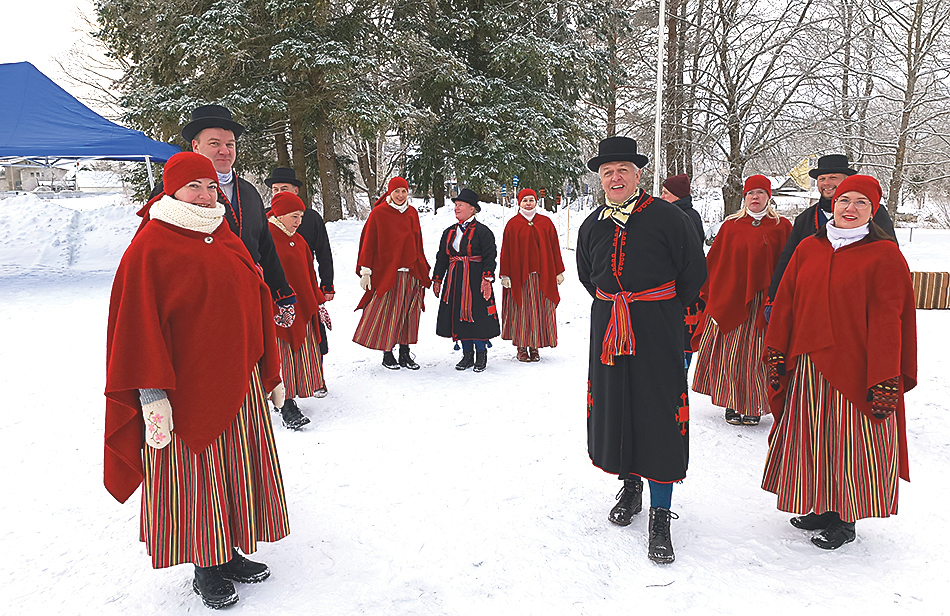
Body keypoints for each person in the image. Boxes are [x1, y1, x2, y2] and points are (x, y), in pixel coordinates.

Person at [105, 152, 289, 609]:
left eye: (210, 186)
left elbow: (254, 299)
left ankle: (227, 551)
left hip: (239, 381)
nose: (206, 195)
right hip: (182, 392)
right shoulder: (151, 245)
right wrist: (150, 394)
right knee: (196, 476)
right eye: (194, 186)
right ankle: (205, 565)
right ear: (172, 190)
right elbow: (136, 324)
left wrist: (268, 370)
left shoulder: (224, 236)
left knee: (234, 468)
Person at [761, 174, 916, 550]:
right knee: (814, 436)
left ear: (873, 211)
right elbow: (787, 301)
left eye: (862, 202)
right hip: (808, 364)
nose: (850, 208)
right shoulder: (809, 248)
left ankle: (845, 518)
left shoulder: (884, 255)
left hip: (857, 367)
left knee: (850, 441)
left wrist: (885, 376)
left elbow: (890, 319)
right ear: (833, 204)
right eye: (845, 200)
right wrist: (778, 350)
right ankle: (822, 506)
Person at [577, 136, 706, 563]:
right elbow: (587, 275)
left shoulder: (668, 217)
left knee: (658, 414)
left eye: (623, 171)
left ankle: (661, 514)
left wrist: (658, 310)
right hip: (608, 328)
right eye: (607, 172)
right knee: (617, 408)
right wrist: (617, 306)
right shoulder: (592, 224)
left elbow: (693, 272)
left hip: (656, 328)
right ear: (601, 179)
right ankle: (631, 487)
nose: (615, 178)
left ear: (638, 175)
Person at [148, 104, 296, 321]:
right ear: (196, 146)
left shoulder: (249, 191)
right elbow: (154, 252)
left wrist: (280, 290)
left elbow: (264, 245)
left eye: (230, 144)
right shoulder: (172, 191)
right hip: (198, 307)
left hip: (249, 298)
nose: (225, 151)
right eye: (214, 143)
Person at [691, 175, 791, 426]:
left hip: (764, 303)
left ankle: (754, 404)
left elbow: (789, 265)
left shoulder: (782, 227)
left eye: (760, 193)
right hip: (733, 299)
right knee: (732, 353)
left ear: (769, 197)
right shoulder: (731, 226)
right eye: (750, 193)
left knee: (758, 354)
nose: (755, 197)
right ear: (744, 198)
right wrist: (716, 294)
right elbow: (716, 262)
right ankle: (732, 401)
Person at [767, 154, 896, 306]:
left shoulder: (873, 213)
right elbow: (788, 260)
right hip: (812, 300)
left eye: (833, 177)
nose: (826, 183)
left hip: (858, 300)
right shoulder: (805, 219)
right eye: (822, 179)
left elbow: (889, 261)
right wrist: (774, 297)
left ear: (846, 180)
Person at [266, 166, 334, 394]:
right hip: (279, 305)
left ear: (295, 190)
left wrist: (322, 294)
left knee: (311, 342)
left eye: (283, 188)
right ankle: (284, 397)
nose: (298, 221)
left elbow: (320, 257)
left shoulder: (308, 224)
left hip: (304, 301)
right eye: (275, 189)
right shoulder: (265, 230)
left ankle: (310, 381)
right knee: (281, 349)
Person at [353, 177, 431, 369]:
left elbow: (417, 241)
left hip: (410, 272)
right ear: (390, 192)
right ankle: (387, 353)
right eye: (396, 191)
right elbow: (369, 242)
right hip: (389, 273)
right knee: (388, 313)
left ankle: (405, 353)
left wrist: (422, 267)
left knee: (409, 313)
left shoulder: (412, 213)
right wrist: (366, 270)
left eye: (404, 191)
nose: (400, 195)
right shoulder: (379, 213)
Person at [432, 188, 501, 372]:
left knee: (477, 316)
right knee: (459, 316)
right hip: (455, 281)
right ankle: (467, 355)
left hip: (476, 280)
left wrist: (487, 279)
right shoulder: (449, 232)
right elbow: (442, 257)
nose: (456, 208)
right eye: (455, 205)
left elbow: (490, 256)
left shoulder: (483, 232)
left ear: (472, 209)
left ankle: (481, 355)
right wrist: (437, 279)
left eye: (460, 205)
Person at [499, 188, 566, 362]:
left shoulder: (546, 223)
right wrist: (505, 274)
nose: (528, 203)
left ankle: (535, 346)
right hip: (519, 276)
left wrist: (558, 271)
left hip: (543, 276)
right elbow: (506, 250)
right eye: (525, 200)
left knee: (539, 310)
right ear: (519, 203)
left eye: (531, 200)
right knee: (522, 311)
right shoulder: (513, 224)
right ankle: (522, 347)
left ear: (536, 202)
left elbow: (554, 248)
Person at [660, 173, 706, 369]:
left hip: (682, 294)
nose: (662, 197)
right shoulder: (679, 214)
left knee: (679, 345)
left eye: (665, 193)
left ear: (677, 195)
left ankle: (679, 379)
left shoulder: (684, 217)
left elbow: (688, 260)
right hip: (680, 293)